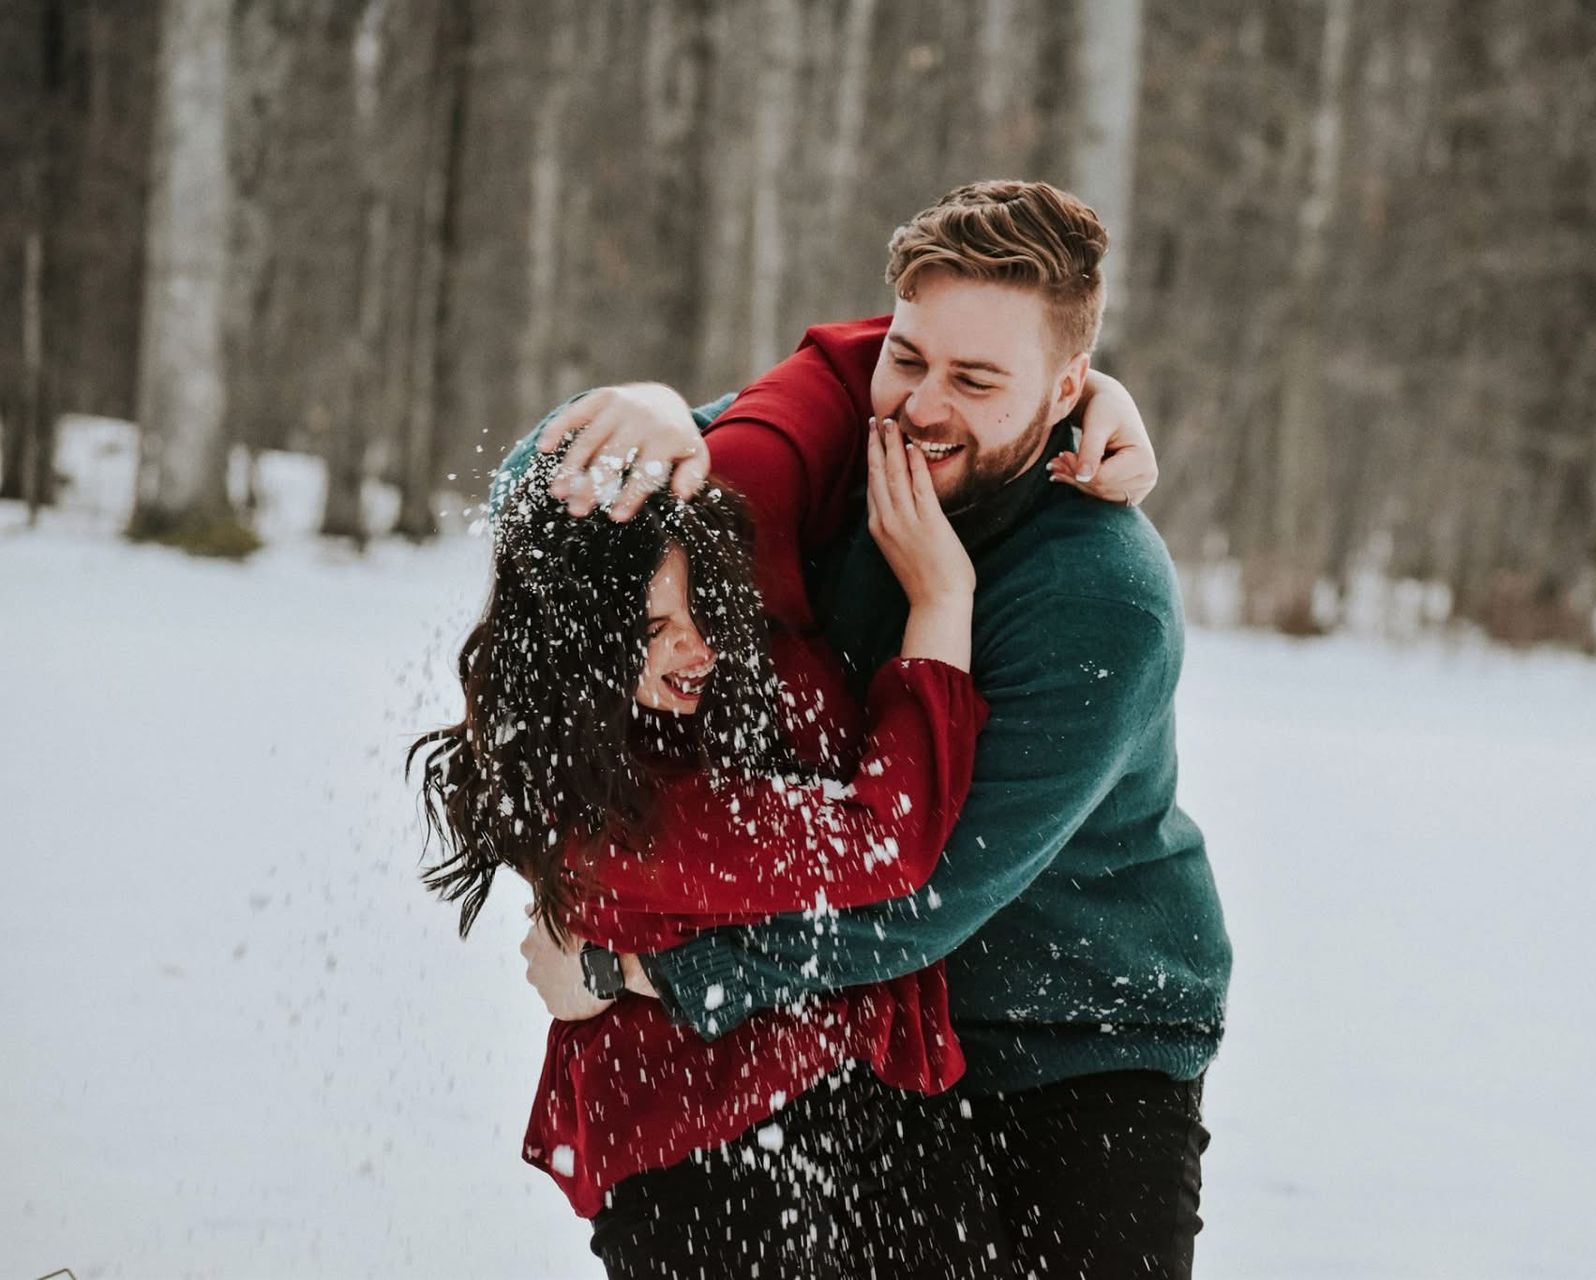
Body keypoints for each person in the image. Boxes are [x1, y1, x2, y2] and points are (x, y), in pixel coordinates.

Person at [517, 180, 1233, 1278]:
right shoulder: (842, 451)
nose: (922, 406)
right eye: (908, 360)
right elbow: (537, 498)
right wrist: (656, 409)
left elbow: (928, 896)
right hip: (866, 1010)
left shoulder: (1101, 596)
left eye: (979, 379)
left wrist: (638, 970)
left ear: (1067, 390)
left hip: (1079, 1026)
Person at [413, 424, 1009, 1277]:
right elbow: (885, 839)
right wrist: (943, 600)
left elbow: (809, 393)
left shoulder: (656, 727)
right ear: (578, 642)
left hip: (822, 1120)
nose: (699, 649)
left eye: (700, 612)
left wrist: (1084, 392)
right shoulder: (617, 826)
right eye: (654, 625)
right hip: (708, 1159)